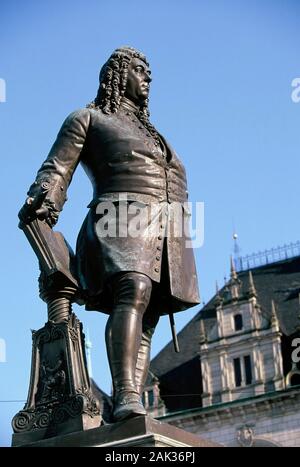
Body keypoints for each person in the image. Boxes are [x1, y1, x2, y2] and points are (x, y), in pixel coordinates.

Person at [19, 46, 200, 422]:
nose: (147, 77)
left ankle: (129, 402)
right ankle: (127, 394)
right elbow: (57, 167)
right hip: (118, 216)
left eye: (149, 71)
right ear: (117, 74)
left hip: (169, 228)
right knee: (133, 288)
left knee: (149, 309)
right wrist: (43, 200)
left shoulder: (153, 131)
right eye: (139, 69)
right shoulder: (88, 118)